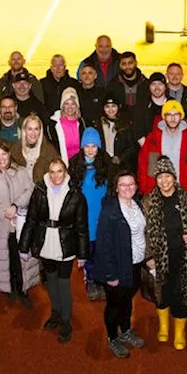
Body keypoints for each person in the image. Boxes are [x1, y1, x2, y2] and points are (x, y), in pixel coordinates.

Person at [23, 157, 88, 343]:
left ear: (65, 172)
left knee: (63, 283)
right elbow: (31, 220)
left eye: (59, 171)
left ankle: (66, 320)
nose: (56, 176)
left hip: (66, 243)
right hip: (45, 242)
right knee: (50, 281)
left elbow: (81, 227)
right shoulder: (39, 191)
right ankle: (56, 313)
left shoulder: (76, 194)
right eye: (52, 172)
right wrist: (24, 246)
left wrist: (83, 255)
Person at [142, 156, 187, 351]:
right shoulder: (148, 200)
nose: (164, 181)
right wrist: (149, 257)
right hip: (159, 258)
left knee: (182, 295)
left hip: (183, 257)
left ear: (174, 177)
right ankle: (164, 327)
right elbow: (144, 233)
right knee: (161, 294)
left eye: (167, 176)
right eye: (160, 176)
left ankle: (178, 333)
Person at [94, 171, 149, 357]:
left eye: (131, 184)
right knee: (114, 304)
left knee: (127, 299)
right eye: (123, 185)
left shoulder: (138, 204)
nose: (127, 188)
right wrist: (111, 275)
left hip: (134, 263)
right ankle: (112, 338)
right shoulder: (110, 211)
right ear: (116, 187)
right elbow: (104, 245)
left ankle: (125, 330)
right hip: (116, 267)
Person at [0, 142, 40, 306]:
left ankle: (22, 289)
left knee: (21, 258)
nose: (1, 159)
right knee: (5, 259)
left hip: (20, 223)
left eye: (4, 154)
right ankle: (10, 289)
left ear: (9, 154)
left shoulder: (21, 171)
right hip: (0, 226)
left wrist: (16, 206)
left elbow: (30, 190)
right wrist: (4, 212)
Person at [70, 129, 112, 300]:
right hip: (84, 215)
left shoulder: (106, 164)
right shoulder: (75, 165)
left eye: (93, 146)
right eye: (86, 146)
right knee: (88, 249)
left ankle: (101, 279)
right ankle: (91, 280)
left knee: (102, 250)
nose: (90, 150)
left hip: (101, 213)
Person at [136, 100, 187, 194]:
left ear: (181, 116)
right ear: (164, 117)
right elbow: (144, 165)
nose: (172, 118)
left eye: (176, 114)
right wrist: (146, 189)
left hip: (185, 191)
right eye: (169, 114)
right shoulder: (153, 139)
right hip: (158, 192)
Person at [12, 113, 60, 182]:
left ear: (40, 131)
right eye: (30, 129)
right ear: (24, 130)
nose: (33, 133)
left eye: (36, 129)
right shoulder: (15, 150)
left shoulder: (50, 151)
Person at [99, 91, 141, 169]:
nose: (110, 109)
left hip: (122, 165)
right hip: (104, 164)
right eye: (107, 106)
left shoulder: (126, 124)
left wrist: (121, 158)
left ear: (118, 107)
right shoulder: (99, 125)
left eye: (113, 106)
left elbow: (132, 147)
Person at [46, 87, 88, 162]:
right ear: (62, 106)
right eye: (66, 103)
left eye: (73, 104)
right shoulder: (54, 124)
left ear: (77, 106)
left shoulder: (82, 123)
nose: (70, 107)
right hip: (61, 164)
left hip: (80, 164)